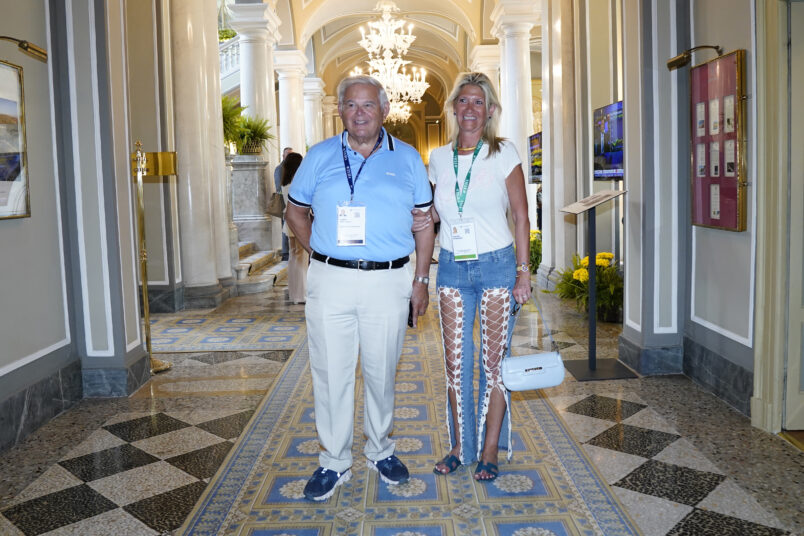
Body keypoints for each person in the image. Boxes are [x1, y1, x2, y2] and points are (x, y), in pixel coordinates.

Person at [285, 75, 435, 501]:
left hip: (388, 280)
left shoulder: (407, 158)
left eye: (368, 105)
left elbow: (424, 225)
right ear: (340, 111)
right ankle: (333, 460)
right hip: (330, 280)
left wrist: (421, 280)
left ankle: (380, 450)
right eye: (351, 105)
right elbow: (295, 213)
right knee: (330, 372)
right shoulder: (319, 156)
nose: (360, 113)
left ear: (384, 110)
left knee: (381, 370)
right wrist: (322, 252)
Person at [426, 72, 532, 481]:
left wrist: (523, 272)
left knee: (493, 364)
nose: (470, 108)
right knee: (455, 364)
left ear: (490, 110)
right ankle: (460, 446)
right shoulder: (438, 158)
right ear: (453, 107)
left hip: (497, 266)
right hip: (452, 266)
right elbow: (434, 214)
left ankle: (489, 449)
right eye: (463, 100)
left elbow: (520, 216)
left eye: (478, 101)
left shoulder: (503, 152)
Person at [279, 152, 307, 304]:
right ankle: (301, 295)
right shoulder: (297, 183)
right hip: (298, 222)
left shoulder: (285, 183)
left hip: (288, 223)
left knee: (293, 257)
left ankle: (294, 293)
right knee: (301, 257)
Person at [274, 147, 293, 260]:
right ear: (283, 156)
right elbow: (278, 188)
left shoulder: (292, 168)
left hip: (291, 201)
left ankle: (289, 251)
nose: (290, 157)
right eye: (288, 155)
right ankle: (285, 253)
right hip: (283, 202)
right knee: (285, 227)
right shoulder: (279, 169)